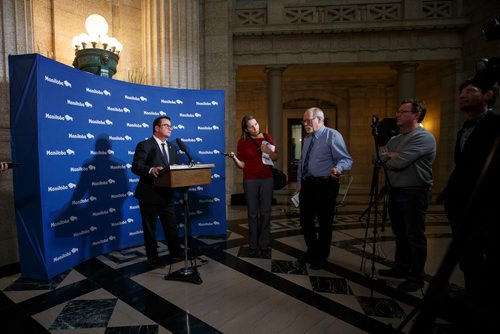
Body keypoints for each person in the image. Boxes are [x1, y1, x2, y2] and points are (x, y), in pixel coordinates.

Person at [438, 79, 500, 307]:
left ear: (488, 95)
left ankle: (485, 302)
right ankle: (472, 295)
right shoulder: (465, 128)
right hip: (462, 202)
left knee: (488, 255)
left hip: (487, 203)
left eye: (470, 91)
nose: (462, 95)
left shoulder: (495, 124)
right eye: (460, 91)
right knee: (467, 254)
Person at [377, 99, 436, 292]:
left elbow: (399, 163)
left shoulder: (423, 138)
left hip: (415, 192)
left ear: (416, 114)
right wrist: (389, 156)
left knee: (414, 236)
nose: (397, 115)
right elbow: (376, 157)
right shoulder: (395, 139)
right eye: (398, 111)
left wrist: (390, 156)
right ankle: (401, 268)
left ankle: (416, 276)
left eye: (402, 111)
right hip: (396, 191)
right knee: (400, 234)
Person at [296, 107, 352, 269]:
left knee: (324, 223)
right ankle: (312, 250)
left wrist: (338, 169)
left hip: (325, 185)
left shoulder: (332, 135)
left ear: (320, 119)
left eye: (308, 120)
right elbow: (302, 163)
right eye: (303, 120)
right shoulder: (307, 139)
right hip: (307, 185)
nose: (305, 123)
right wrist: (300, 183)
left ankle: (321, 256)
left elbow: (346, 159)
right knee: (305, 221)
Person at [132, 116, 183, 269]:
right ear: (157, 128)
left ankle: (175, 254)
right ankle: (153, 258)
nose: (170, 128)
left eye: (171, 126)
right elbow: (136, 166)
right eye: (166, 125)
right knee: (150, 228)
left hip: (167, 194)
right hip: (149, 194)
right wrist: (150, 169)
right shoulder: (145, 145)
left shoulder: (173, 147)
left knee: (171, 226)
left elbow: (176, 169)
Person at [228, 115, 278, 258]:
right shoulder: (242, 142)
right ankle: (253, 244)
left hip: (267, 179)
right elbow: (242, 165)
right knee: (251, 213)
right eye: (250, 126)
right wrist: (234, 158)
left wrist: (268, 152)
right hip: (250, 180)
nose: (254, 128)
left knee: (265, 213)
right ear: (246, 129)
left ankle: (264, 244)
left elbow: (275, 156)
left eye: (255, 124)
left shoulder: (267, 137)